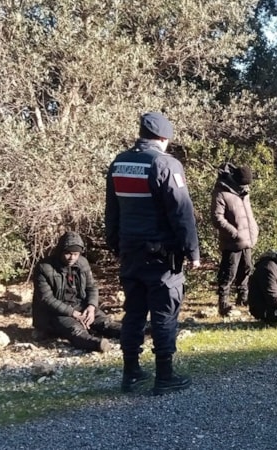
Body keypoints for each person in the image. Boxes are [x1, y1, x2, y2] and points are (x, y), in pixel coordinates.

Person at [105, 111, 201, 395]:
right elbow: (182, 212)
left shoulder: (119, 163)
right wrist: (193, 251)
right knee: (164, 313)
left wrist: (115, 244)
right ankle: (165, 375)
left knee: (133, 312)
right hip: (161, 257)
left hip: (130, 252)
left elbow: (112, 210)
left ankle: (131, 373)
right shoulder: (165, 163)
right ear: (164, 137)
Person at [32, 231, 121, 352]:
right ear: (60, 251)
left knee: (105, 323)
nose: (72, 258)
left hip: (80, 306)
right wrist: (73, 313)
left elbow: (92, 287)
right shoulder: (44, 267)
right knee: (75, 331)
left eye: (75, 254)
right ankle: (97, 344)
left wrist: (91, 307)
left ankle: (134, 334)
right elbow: (46, 299)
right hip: (55, 313)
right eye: (68, 253)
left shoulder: (82, 263)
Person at [210, 162, 259, 317]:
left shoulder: (244, 192)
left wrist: (254, 229)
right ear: (236, 180)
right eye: (244, 184)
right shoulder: (221, 192)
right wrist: (234, 233)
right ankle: (223, 302)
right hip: (232, 241)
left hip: (247, 239)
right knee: (228, 272)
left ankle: (242, 298)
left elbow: (248, 214)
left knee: (247, 268)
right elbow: (217, 218)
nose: (246, 186)